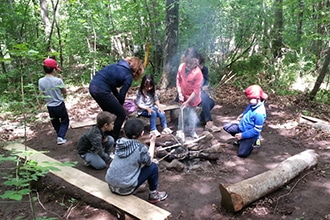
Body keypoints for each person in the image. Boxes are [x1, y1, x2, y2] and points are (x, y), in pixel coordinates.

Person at [105, 118, 168, 203]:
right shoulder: (140, 149)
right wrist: (152, 142)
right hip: (125, 189)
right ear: (142, 133)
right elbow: (149, 161)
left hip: (111, 185)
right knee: (153, 166)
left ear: (124, 132)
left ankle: (134, 185)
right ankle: (154, 194)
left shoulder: (119, 143)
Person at [89, 57, 144, 140]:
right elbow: (122, 94)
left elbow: (112, 86)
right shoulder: (128, 76)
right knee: (121, 114)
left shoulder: (115, 66)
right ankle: (114, 137)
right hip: (102, 90)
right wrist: (120, 105)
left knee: (108, 113)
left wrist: (118, 102)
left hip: (93, 87)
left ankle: (106, 133)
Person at [223, 85, 268, 158]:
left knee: (242, 154)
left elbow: (256, 130)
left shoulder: (259, 113)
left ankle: (254, 141)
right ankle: (241, 139)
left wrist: (243, 135)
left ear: (258, 98)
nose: (248, 100)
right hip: (242, 127)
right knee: (226, 126)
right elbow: (247, 110)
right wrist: (242, 115)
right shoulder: (252, 104)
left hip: (250, 134)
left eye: (250, 98)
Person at [38, 58, 69, 145]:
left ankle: (59, 135)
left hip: (50, 106)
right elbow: (64, 91)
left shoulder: (40, 81)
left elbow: (41, 93)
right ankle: (60, 137)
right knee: (65, 120)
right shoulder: (58, 80)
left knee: (55, 122)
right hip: (59, 104)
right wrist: (65, 95)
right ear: (54, 69)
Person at [176, 47, 204, 140]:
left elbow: (196, 91)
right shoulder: (181, 67)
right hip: (183, 96)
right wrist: (179, 92)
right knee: (182, 114)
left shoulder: (198, 73)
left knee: (192, 115)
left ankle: (192, 132)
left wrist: (187, 102)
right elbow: (178, 80)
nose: (188, 65)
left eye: (191, 63)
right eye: (187, 62)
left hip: (193, 99)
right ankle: (180, 131)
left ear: (196, 61)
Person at [197, 54, 221, 133]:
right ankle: (209, 123)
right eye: (199, 65)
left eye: (202, 65)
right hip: (192, 94)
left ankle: (201, 119)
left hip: (201, 93)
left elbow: (206, 81)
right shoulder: (192, 71)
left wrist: (206, 86)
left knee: (211, 102)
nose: (201, 67)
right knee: (205, 100)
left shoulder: (204, 69)